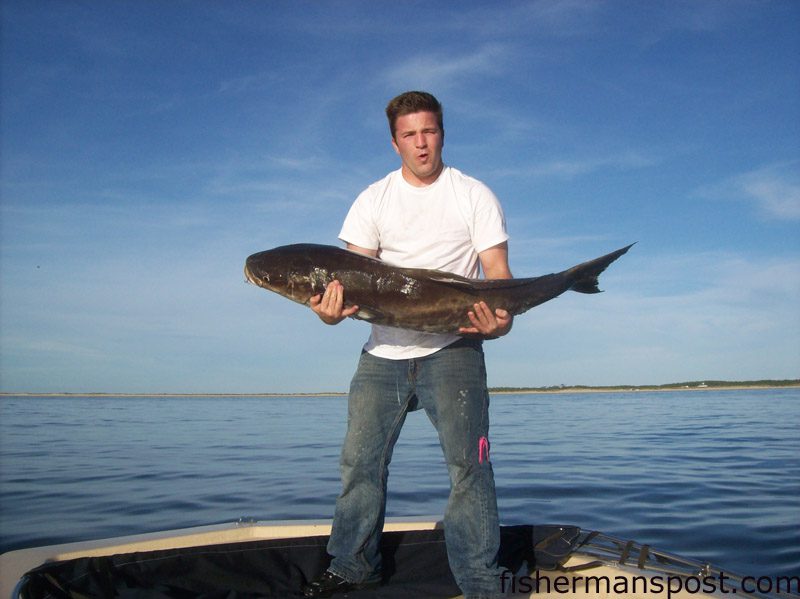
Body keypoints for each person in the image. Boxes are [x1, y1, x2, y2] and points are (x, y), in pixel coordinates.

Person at [303, 91, 513, 599]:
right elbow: (349, 283)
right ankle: (352, 565)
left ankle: (481, 581)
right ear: (394, 141)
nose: (421, 144)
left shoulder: (473, 194)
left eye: (430, 131)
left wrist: (499, 323)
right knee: (359, 464)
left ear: (442, 132)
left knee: (471, 467)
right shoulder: (373, 199)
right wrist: (328, 315)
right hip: (383, 355)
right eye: (409, 135)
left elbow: (500, 280)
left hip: (455, 350)